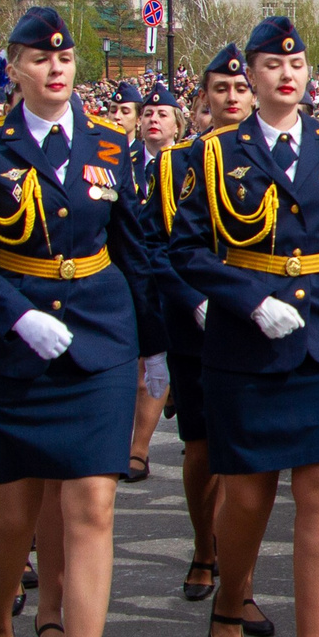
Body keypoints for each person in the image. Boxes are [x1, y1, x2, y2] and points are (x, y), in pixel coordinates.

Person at [0, 5, 154, 637]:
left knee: (93, 504)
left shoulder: (111, 146)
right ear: (15, 69)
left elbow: (134, 248)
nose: (55, 68)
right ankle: (0, 625)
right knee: (14, 511)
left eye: (63, 59)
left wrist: (155, 345)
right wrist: (15, 315)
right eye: (39, 58)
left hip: (98, 338)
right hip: (15, 346)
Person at [172, 17, 319, 637]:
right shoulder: (212, 154)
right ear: (249, 77)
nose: (287, 75)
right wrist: (249, 300)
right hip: (247, 339)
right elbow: (186, 249)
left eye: (297, 64)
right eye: (270, 65)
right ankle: (230, 599)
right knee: (249, 493)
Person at [151, 48, 254, 606]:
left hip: (256, 320)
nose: (232, 97)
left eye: (240, 87)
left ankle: (240, 574)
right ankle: (203, 547)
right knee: (200, 447)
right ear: (203, 100)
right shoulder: (175, 165)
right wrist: (194, 301)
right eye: (220, 89)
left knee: (246, 456)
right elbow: (155, 246)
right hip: (197, 324)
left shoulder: (270, 155)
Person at [123, 84, 183, 481]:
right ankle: (133, 446)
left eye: (162, 115)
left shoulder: (187, 162)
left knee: (157, 359)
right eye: (147, 114)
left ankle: (139, 448)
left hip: (171, 273)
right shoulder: (121, 161)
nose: (153, 120)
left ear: (178, 125)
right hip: (130, 272)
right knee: (138, 363)